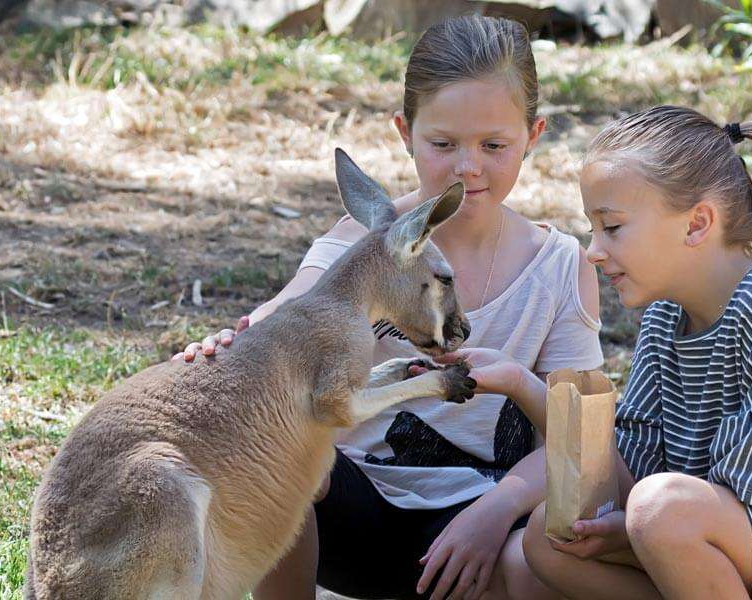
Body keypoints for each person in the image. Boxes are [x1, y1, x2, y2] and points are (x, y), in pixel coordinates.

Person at [176, 15, 603, 600]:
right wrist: (235, 338)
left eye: (494, 145)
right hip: (356, 514)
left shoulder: (559, 267)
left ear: (534, 135)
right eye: (443, 144)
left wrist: (496, 511)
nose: (467, 167)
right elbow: (291, 307)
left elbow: (582, 440)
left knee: (540, 561)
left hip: (483, 526)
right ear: (406, 133)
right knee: (298, 460)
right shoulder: (365, 242)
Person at [439, 105, 752, 599]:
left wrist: (635, 530)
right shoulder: (664, 317)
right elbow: (628, 478)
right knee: (549, 537)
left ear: (697, 223)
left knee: (661, 510)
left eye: (611, 227)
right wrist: (524, 385)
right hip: (728, 543)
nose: (592, 249)